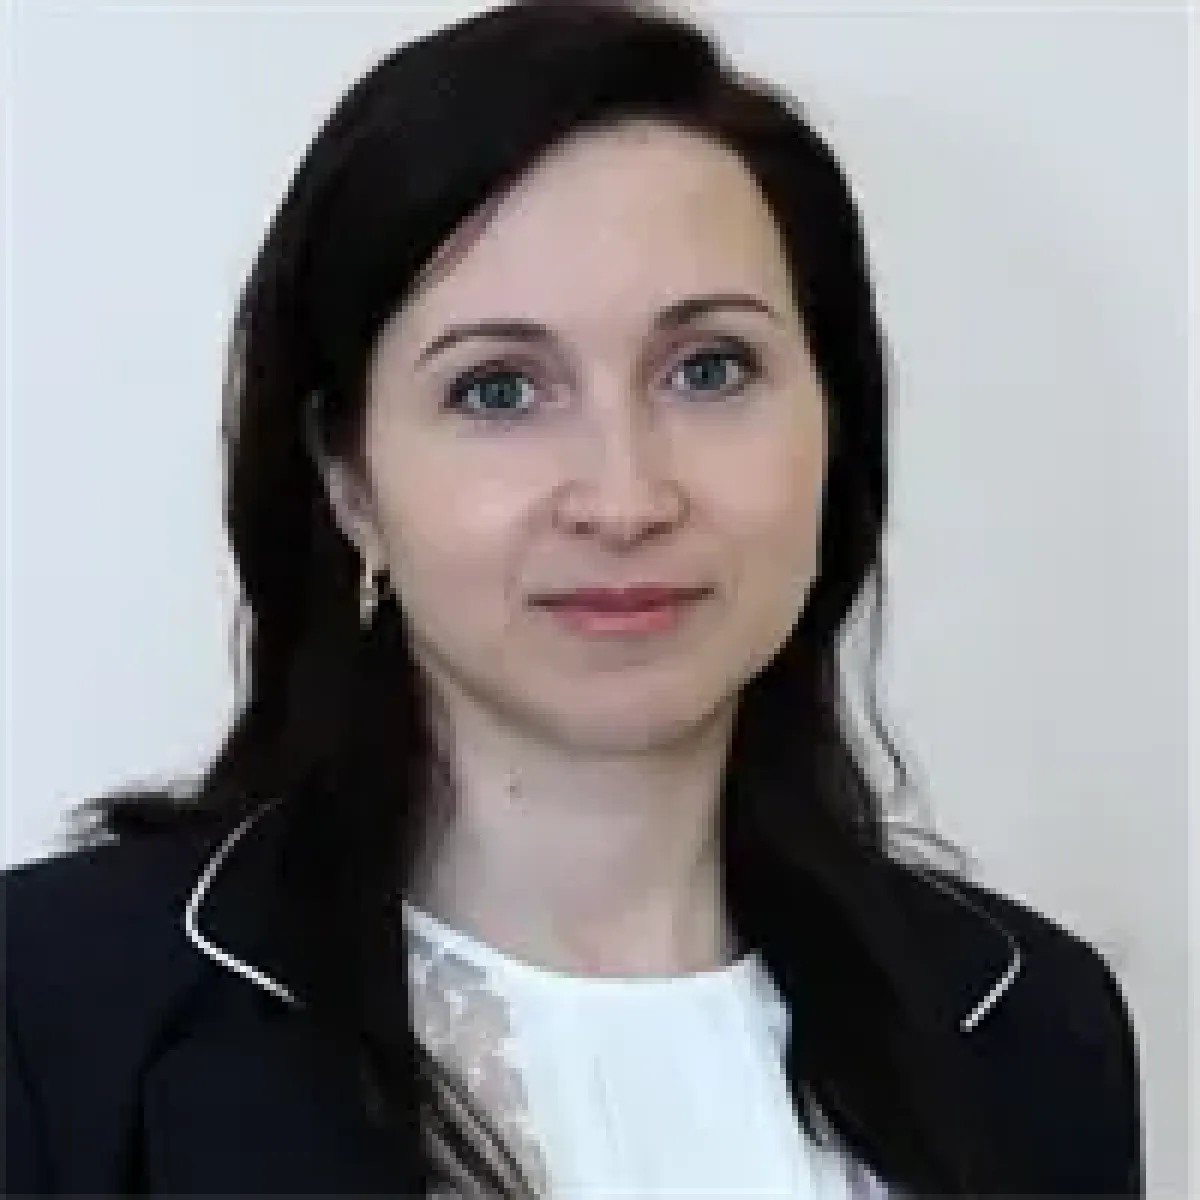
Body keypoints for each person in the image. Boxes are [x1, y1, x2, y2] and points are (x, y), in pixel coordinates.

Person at [0, 1, 1143, 1197]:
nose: (625, 498)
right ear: (350, 482)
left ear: (835, 426)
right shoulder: (49, 1018)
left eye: (710, 369)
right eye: (499, 390)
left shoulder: (1035, 1030)